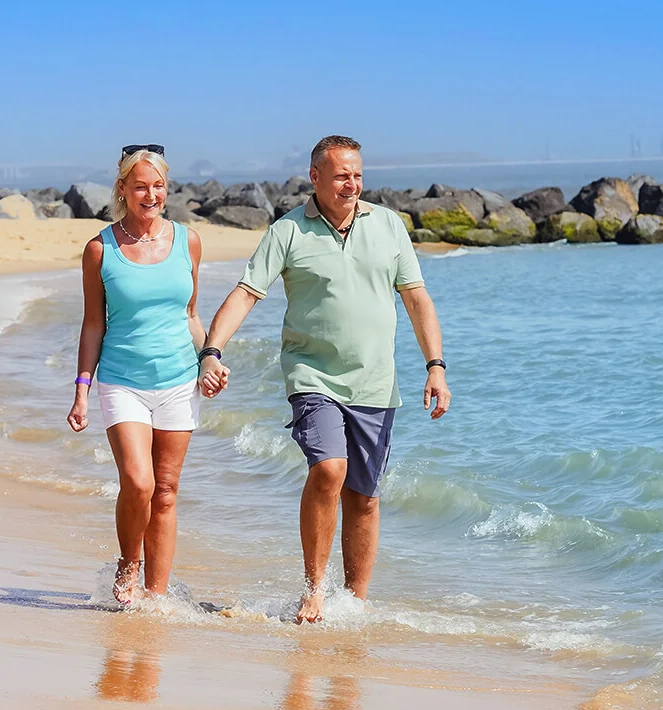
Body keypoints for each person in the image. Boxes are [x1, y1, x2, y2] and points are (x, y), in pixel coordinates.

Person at [198, 135, 451, 623]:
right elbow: (247, 293)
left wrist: (435, 367)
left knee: (364, 497)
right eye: (341, 176)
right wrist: (212, 351)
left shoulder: (388, 225)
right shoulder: (287, 231)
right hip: (311, 374)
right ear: (315, 177)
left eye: (357, 175)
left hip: (376, 381)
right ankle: (314, 590)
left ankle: (354, 602)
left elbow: (416, 298)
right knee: (330, 469)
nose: (351, 185)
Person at [66, 144, 206, 605]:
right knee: (139, 483)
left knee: (164, 491)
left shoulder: (188, 241)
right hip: (122, 381)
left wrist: (210, 358)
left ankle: (156, 597)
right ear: (122, 188)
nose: (151, 195)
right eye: (141, 186)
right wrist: (82, 390)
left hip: (179, 381)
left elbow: (191, 314)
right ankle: (129, 564)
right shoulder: (99, 249)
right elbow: (93, 324)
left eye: (158, 186)